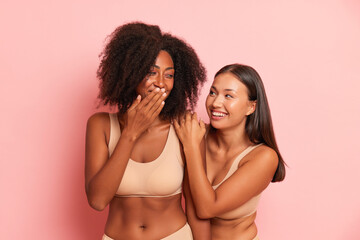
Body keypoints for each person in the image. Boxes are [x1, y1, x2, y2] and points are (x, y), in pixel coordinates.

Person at [85, 22, 209, 240]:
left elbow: (196, 205)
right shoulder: (101, 126)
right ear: (131, 73)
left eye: (169, 75)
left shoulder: (184, 127)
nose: (161, 83)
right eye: (152, 72)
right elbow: (97, 200)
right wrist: (131, 133)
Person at [174, 64, 286, 240]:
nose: (216, 103)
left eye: (228, 96)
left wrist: (191, 147)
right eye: (212, 92)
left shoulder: (263, 157)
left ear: (251, 107)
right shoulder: (195, 134)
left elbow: (206, 208)